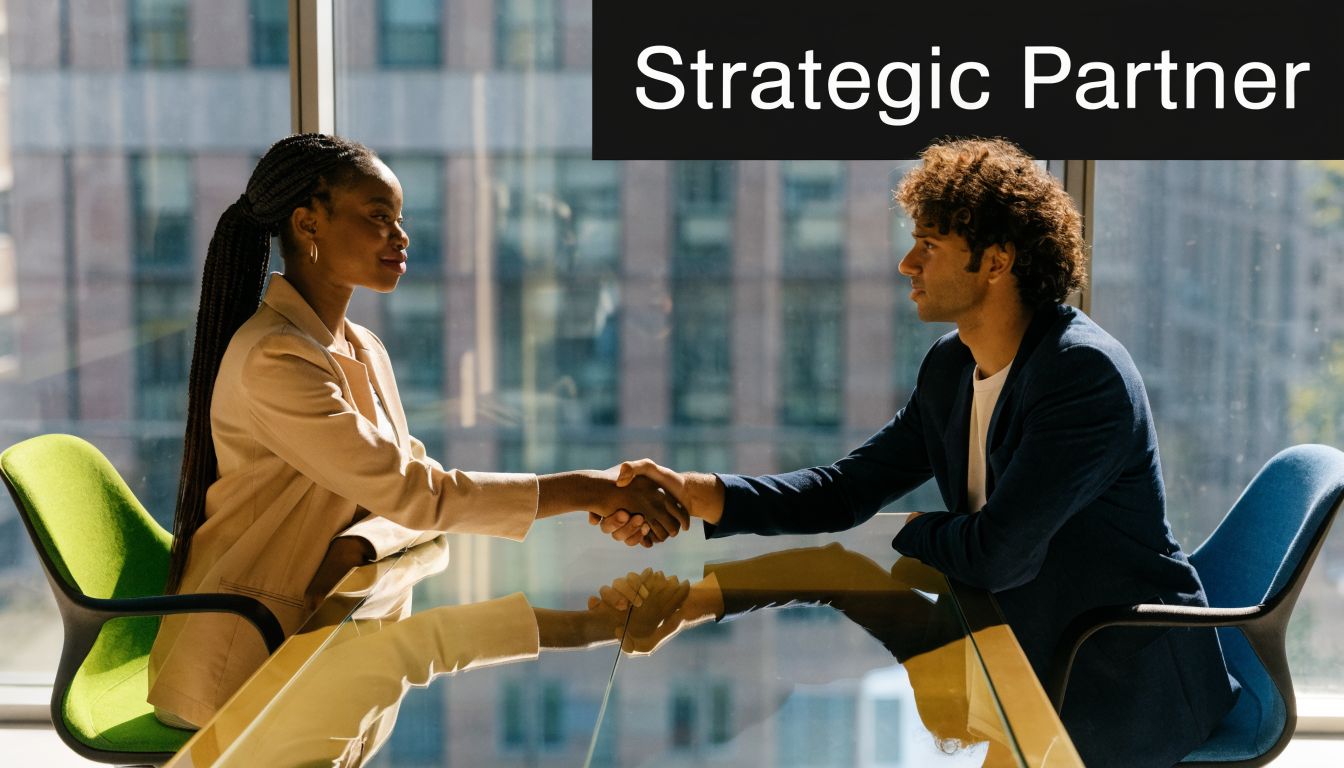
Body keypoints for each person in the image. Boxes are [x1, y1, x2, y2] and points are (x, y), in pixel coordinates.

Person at [608, 138, 1238, 767]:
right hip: (1019, 653)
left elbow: (997, 557)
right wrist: (699, 494)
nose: (907, 264)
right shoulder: (952, 365)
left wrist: (916, 532)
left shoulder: (1083, 377)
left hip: (1114, 683)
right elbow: (846, 489)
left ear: (995, 262)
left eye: (930, 246)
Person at [148, 133, 686, 730]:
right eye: (379, 218)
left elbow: (407, 492)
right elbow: (418, 495)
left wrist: (357, 545)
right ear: (308, 224)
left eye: (399, 219)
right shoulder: (274, 360)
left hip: (330, 634)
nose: (401, 237)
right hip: (244, 674)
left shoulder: (361, 348)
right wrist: (594, 490)